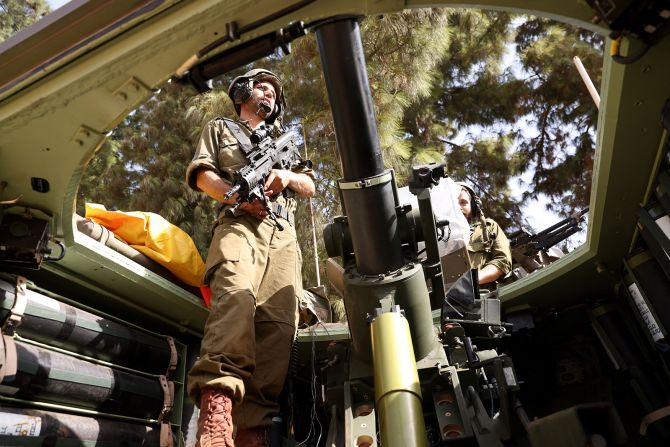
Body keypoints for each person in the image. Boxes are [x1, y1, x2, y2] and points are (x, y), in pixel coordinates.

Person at [185, 68, 315, 446]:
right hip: (238, 225)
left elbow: (308, 185)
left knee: (278, 326)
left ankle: (252, 432)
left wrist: (285, 177)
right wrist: (237, 196)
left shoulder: (284, 142)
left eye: (274, 90)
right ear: (242, 91)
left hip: (283, 236)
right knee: (235, 302)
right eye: (261, 87)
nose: (269, 94)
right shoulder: (221, 128)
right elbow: (202, 176)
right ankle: (215, 416)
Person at [457, 183, 512, 287]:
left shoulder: (487, 228)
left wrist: (471, 281)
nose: (458, 207)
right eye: (453, 203)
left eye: (463, 202)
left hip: (479, 297)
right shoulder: (435, 237)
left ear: (473, 207)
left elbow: (502, 260)